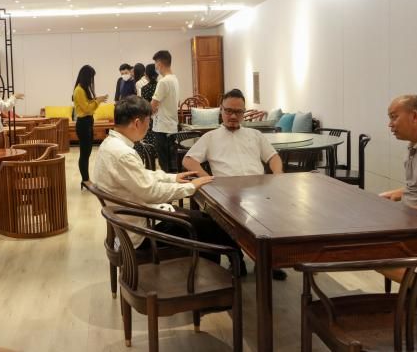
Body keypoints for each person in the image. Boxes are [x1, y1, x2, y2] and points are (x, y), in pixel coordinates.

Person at [93, 95, 246, 273]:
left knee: (205, 220)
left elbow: (141, 177)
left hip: (134, 219)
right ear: (137, 123)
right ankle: (215, 280)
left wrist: (172, 178)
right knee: (211, 227)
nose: (149, 127)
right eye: (148, 122)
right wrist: (191, 187)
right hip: (142, 232)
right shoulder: (123, 154)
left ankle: (222, 268)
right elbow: (151, 192)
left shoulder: (110, 145)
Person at [182, 88, 286, 280]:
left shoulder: (255, 135)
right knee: (224, 218)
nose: (232, 116)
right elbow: (188, 160)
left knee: (277, 213)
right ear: (221, 110)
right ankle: (236, 258)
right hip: (227, 192)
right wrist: (208, 179)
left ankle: (267, 260)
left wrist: (278, 176)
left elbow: (273, 157)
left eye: (238, 112)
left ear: (244, 113)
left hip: (259, 189)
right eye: (228, 111)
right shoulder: (210, 137)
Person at [73, 65, 108, 188]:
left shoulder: (83, 89)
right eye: (91, 77)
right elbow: (87, 108)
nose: (92, 80)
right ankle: (85, 180)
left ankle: (86, 179)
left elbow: (88, 104)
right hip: (83, 123)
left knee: (87, 152)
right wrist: (98, 101)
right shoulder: (79, 90)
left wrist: (96, 100)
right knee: (84, 153)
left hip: (88, 122)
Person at [151, 50, 179, 172]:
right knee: (172, 163)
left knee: (164, 164)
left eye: (155, 64)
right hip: (172, 126)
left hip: (162, 127)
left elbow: (153, 105)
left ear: (159, 63)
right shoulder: (174, 79)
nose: (155, 67)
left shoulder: (163, 81)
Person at [140, 63, 158, 146]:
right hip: (160, 117)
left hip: (149, 117)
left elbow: (144, 106)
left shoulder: (144, 88)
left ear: (146, 74)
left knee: (150, 142)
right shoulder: (160, 86)